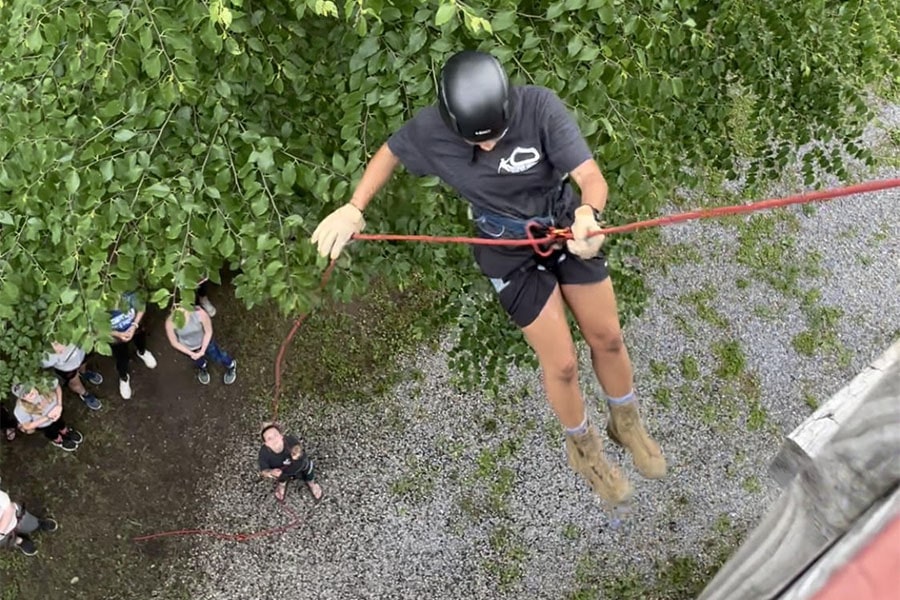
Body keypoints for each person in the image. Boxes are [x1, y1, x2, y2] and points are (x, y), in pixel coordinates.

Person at [311, 50, 666, 506]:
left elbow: (590, 176)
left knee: (608, 337)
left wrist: (587, 214)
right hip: (505, 251)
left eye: (496, 137)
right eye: (476, 143)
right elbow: (391, 150)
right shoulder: (433, 131)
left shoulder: (538, 108)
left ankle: (627, 420)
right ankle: (585, 449)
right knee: (561, 364)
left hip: (563, 225)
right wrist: (354, 207)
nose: (488, 149)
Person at [164, 304, 237, 385]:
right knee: (198, 361)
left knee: (218, 356)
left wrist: (202, 350)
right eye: (174, 308)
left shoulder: (199, 313)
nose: (178, 312)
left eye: (180, 307)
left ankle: (231, 365)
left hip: (206, 343)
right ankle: (202, 367)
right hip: (189, 348)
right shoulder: (170, 322)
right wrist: (191, 353)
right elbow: (174, 342)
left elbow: (208, 331)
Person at [257, 422, 323, 503]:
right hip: (283, 472)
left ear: (281, 436)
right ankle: (282, 485)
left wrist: (296, 452)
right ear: (266, 444)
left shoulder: (290, 440)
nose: (274, 439)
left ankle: (311, 483)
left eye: (275, 435)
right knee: (280, 477)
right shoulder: (263, 453)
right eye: (269, 438)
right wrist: (271, 472)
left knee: (308, 467)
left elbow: (299, 448)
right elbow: (264, 471)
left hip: (301, 465)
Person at [109, 291, 157, 399]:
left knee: (141, 342)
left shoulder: (128, 294)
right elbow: (97, 329)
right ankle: (124, 377)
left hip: (135, 328)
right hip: (116, 338)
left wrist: (134, 325)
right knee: (121, 358)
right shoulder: (98, 305)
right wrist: (118, 334)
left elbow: (141, 307)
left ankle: (142, 352)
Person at [12, 382, 84, 452]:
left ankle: (65, 431)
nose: (28, 394)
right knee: (51, 432)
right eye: (24, 395)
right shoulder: (20, 409)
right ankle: (58, 440)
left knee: (61, 423)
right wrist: (48, 417)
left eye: (28, 389)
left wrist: (59, 405)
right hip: (44, 425)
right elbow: (27, 426)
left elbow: (57, 386)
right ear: (21, 398)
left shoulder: (43, 383)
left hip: (57, 413)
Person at [41, 342, 104, 411]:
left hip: (80, 353)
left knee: (83, 363)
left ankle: (83, 373)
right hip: (67, 368)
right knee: (74, 382)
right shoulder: (46, 355)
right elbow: (45, 364)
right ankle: (85, 394)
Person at [0, 487, 58, 556]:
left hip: (15, 517)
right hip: (2, 536)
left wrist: (1, 531)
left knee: (31, 525)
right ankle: (19, 541)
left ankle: (38, 524)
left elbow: (9, 509)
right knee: (8, 540)